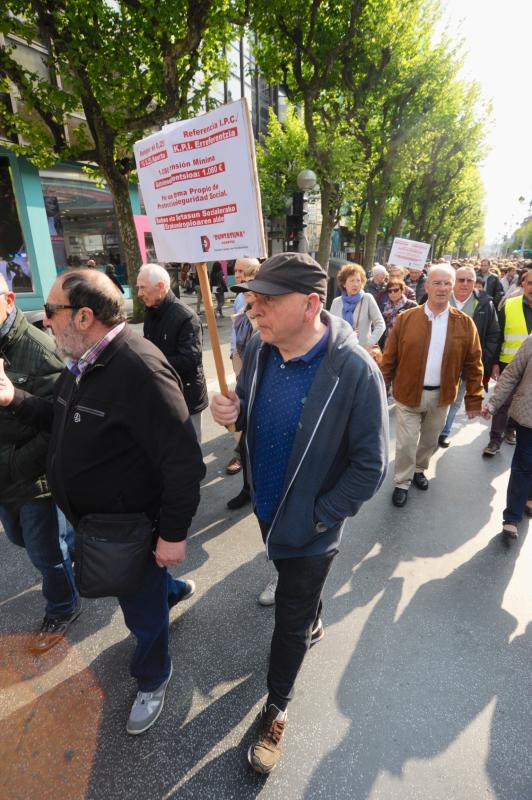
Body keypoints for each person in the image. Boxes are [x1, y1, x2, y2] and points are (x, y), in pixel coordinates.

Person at [0, 269, 205, 735]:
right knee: (145, 587)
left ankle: (153, 676)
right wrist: (15, 399)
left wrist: (172, 536)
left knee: (140, 612)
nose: (44, 320)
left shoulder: (139, 368)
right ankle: (168, 589)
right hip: (98, 524)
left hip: (128, 528)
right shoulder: (86, 357)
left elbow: (183, 463)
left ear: (84, 316)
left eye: (51, 312)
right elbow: (59, 418)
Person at [210, 252, 388, 774]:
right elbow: (246, 404)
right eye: (251, 298)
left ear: (311, 304)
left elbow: (370, 466)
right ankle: (311, 612)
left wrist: (320, 517)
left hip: (313, 527)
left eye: (267, 301)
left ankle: (276, 708)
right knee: (292, 583)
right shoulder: (261, 350)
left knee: (289, 621)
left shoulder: (353, 371)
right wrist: (232, 412)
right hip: (268, 510)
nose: (252, 309)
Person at [0, 275, 80, 653]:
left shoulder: (41, 348)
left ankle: (63, 605)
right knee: (19, 539)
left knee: (45, 552)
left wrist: (15, 467)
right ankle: (76, 546)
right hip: (5, 478)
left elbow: (58, 424)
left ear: (9, 299)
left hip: (33, 479)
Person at [381, 264, 483, 508]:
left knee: (429, 440)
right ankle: (402, 481)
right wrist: (379, 388)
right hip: (407, 395)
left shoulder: (464, 324)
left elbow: (474, 363)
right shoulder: (406, 319)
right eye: (437, 283)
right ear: (426, 287)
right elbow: (389, 358)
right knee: (405, 443)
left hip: (441, 396)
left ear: (453, 287)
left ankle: (419, 469)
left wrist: (474, 399)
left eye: (447, 283)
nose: (442, 288)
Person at [137, 263, 208, 443]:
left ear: (160, 286)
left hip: (186, 397)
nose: (139, 293)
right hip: (161, 392)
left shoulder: (186, 317)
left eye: (142, 287)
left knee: (189, 450)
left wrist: (150, 363)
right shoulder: (151, 311)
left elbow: (189, 360)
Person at [438, 266, 500, 447]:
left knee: (456, 401)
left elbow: (493, 335)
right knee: (436, 399)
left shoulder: (485, 304)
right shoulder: (441, 297)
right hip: (439, 363)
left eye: (469, 280)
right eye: (461, 279)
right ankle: (431, 430)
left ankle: (443, 432)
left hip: (466, 365)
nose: (465, 284)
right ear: (453, 281)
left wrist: (482, 359)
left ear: (475, 283)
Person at [482, 335, 532, 538]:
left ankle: (529, 497)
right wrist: (494, 403)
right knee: (524, 463)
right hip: (528, 414)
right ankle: (512, 517)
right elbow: (511, 374)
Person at [483, 268, 532, 457]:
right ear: (523, 284)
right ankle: (495, 440)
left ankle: (511, 429)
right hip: (508, 363)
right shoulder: (509, 305)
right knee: (503, 402)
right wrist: (494, 362)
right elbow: (498, 334)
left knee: (523, 402)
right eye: (530, 283)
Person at [225, 257, 260, 482]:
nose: (243, 283)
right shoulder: (242, 307)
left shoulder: (267, 320)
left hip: (259, 379)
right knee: (242, 420)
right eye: (239, 274)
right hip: (243, 366)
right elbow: (237, 338)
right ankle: (248, 484)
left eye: (250, 280)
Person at [329, 263, 385, 352]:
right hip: (340, 352)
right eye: (352, 281)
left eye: (358, 280)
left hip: (361, 352)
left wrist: (369, 344)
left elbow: (380, 324)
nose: (355, 284)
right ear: (344, 284)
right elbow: (331, 328)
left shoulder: (367, 298)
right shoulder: (336, 302)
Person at [380, 278, 417, 344]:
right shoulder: (384, 306)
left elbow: (416, 327)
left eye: (396, 290)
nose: (393, 293)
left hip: (404, 341)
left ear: (402, 290)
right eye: (390, 291)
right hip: (387, 340)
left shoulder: (411, 305)